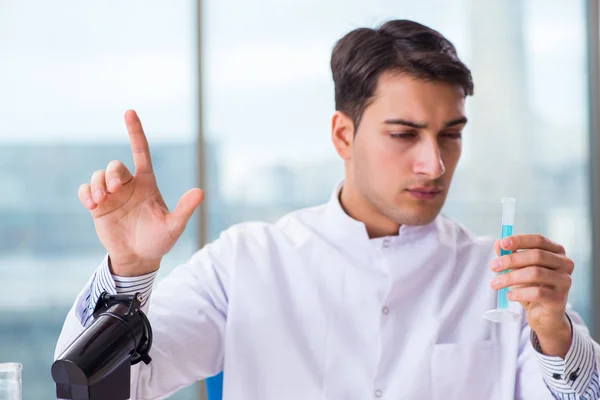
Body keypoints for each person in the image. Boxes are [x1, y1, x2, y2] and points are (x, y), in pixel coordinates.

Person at [56, 19, 600, 399]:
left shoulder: (502, 278)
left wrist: (556, 334)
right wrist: (129, 271)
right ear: (344, 134)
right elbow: (98, 386)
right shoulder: (247, 263)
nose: (434, 164)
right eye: (405, 134)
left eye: (450, 135)